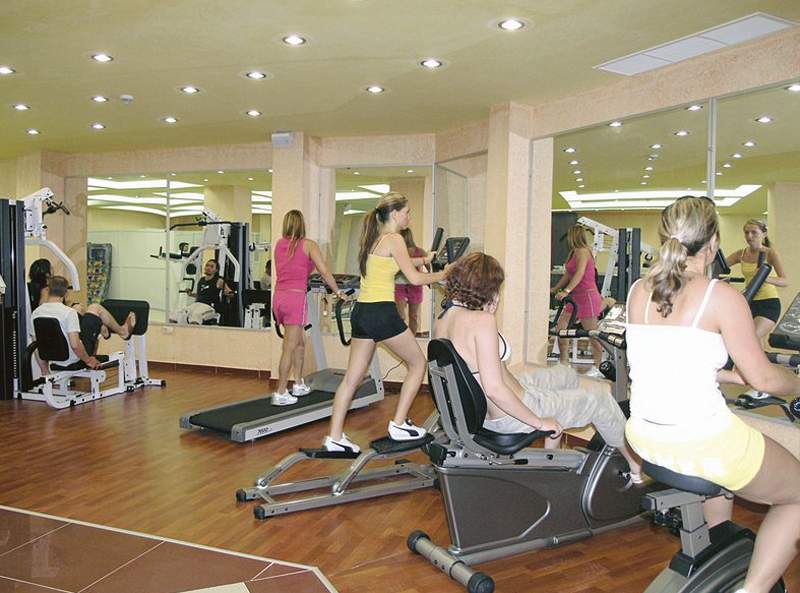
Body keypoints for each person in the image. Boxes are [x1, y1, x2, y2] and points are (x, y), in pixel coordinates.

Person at [625, 196, 800, 593]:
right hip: (701, 443)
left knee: (727, 458)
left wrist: (726, 374)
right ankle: (753, 589)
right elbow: (766, 379)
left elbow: (667, 361)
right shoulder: (720, 296)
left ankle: (717, 544)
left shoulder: (638, 290)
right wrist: (795, 384)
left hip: (645, 436)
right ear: (714, 242)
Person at [436, 252, 643, 480]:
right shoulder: (481, 321)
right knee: (600, 400)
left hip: (498, 403)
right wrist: (539, 422)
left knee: (565, 375)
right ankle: (636, 468)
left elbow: (479, 369)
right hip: (510, 414)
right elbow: (494, 389)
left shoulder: (444, 319)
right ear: (486, 288)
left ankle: (550, 464)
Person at [324, 192, 444, 453]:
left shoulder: (376, 239)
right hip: (381, 312)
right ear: (395, 213)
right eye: (407, 212)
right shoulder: (395, 239)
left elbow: (396, 263)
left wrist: (425, 259)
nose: (409, 216)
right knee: (418, 364)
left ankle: (334, 437)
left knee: (351, 379)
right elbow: (415, 279)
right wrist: (445, 273)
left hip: (362, 313)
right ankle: (399, 424)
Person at [271, 210, 345, 406]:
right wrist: (337, 291)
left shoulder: (279, 244)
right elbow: (325, 271)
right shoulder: (309, 245)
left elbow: (292, 266)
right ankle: (280, 392)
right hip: (295, 298)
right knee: (288, 347)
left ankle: (298, 383)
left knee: (299, 342)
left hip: (279, 298)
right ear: (302, 224)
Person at [32, 276, 136, 372]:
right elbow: (75, 345)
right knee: (95, 307)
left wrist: (45, 372)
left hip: (54, 359)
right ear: (66, 293)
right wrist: (88, 360)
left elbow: (36, 345)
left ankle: (101, 326)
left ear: (48, 291)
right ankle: (123, 332)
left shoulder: (36, 313)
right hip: (75, 358)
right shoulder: (68, 313)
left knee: (78, 308)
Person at [551, 225, 604, 378]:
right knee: (561, 329)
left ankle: (598, 366)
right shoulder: (573, 252)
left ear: (574, 236)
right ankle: (564, 363)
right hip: (575, 297)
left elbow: (580, 273)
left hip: (587, 297)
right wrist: (555, 289)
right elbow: (568, 274)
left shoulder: (584, 251)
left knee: (592, 333)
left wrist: (566, 291)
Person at [725, 219, 787, 345]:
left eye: (754, 232)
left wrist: (764, 277)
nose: (749, 236)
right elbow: (719, 266)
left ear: (764, 234)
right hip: (749, 302)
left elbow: (784, 281)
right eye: (747, 233)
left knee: (750, 338)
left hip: (768, 303)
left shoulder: (770, 253)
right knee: (755, 344)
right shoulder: (740, 254)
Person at [394, 228, 428, 336]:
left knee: (413, 316)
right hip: (399, 285)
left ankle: (411, 337)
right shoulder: (397, 252)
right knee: (401, 316)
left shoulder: (420, 252)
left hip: (415, 286)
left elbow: (429, 265)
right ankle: (401, 337)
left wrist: (429, 279)